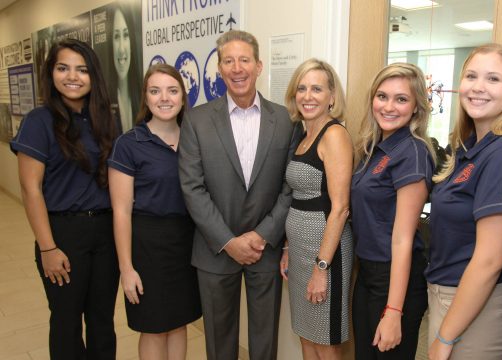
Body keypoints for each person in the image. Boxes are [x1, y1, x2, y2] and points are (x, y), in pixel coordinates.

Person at [179, 30, 298, 360]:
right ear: (219, 68)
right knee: (219, 342)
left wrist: (262, 236)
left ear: (259, 66)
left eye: (244, 60)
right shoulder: (197, 120)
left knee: (265, 340)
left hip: (266, 250)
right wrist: (228, 241)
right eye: (228, 61)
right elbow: (192, 187)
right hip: (215, 250)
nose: (237, 68)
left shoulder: (286, 121)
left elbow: (290, 186)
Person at [10, 39, 120, 360]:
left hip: (105, 233)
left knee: (102, 321)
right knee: (66, 323)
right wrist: (47, 248)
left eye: (82, 69)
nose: (72, 76)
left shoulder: (105, 120)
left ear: (93, 76)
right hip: (62, 235)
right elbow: (30, 190)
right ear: (51, 73)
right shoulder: (39, 121)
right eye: (63, 68)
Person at [425, 43, 502, 360]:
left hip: (476, 303)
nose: (479, 87)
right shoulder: (470, 148)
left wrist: (445, 337)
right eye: (471, 76)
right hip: (449, 295)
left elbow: (490, 259)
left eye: (493, 79)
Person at [108, 64, 202, 360]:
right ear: (145, 98)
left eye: (172, 91)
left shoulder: (194, 139)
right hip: (147, 246)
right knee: (154, 327)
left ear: (183, 98)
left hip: (186, 244)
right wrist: (126, 268)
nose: (164, 98)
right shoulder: (129, 144)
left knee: (178, 322)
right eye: (155, 91)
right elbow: (121, 211)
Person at [350, 63, 436, 359]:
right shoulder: (373, 148)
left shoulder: (413, 152)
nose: (389, 106)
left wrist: (393, 311)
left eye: (401, 99)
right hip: (369, 273)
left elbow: (403, 239)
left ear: (416, 108)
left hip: (395, 277)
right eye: (382, 96)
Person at [279, 58, 353, 359]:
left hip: (325, 254)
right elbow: (297, 197)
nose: (308, 96)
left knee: (325, 342)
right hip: (299, 252)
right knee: (306, 336)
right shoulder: (302, 134)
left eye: (317, 89)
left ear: (332, 96)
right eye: (302, 88)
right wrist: (286, 248)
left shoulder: (334, 135)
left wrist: (321, 269)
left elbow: (341, 209)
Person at [107, 4, 142, 131]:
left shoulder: (143, 98)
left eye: (126, 35)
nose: (121, 49)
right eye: (116, 37)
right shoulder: (105, 102)